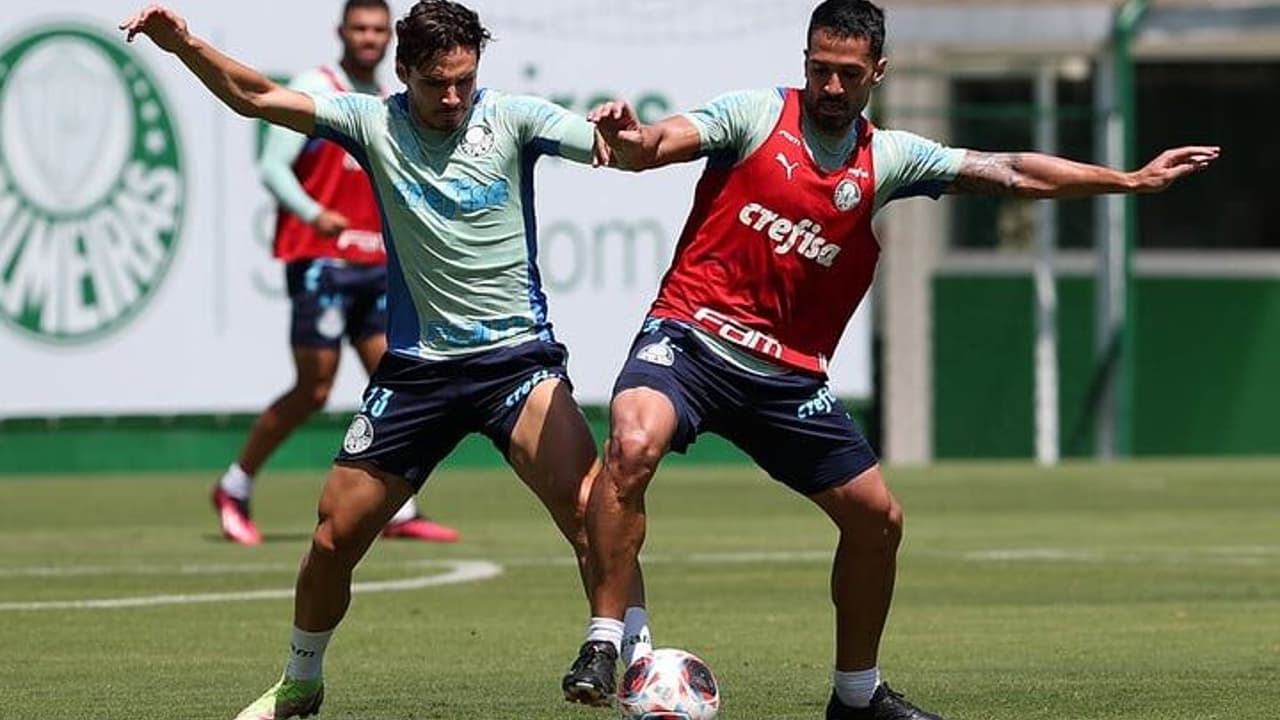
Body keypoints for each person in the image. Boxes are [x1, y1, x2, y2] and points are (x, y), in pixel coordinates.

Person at [561, 1, 1219, 718]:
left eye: (848, 73)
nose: (832, 88)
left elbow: (1011, 171)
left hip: (786, 378)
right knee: (631, 441)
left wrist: (1126, 181)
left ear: (878, 71)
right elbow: (657, 142)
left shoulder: (891, 158)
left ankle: (856, 696)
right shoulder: (752, 116)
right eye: (820, 70)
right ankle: (602, 639)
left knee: (879, 521)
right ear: (804, 62)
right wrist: (628, 139)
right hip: (691, 338)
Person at [120, 2, 650, 718]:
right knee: (333, 538)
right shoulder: (372, 121)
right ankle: (301, 680)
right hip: (418, 372)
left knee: (592, 511)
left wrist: (620, 134)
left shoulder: (514, 117)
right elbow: (253, 96)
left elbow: (614, 145)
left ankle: (637, 661)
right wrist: (184, 44)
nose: (454, 98)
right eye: (438, 83)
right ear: (404, 74)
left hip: (514, 364)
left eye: (465, 80)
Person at [211, 0, 459, 547]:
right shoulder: (317, 85)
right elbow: (273, 166)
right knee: (315, 388)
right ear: (341, 32)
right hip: (322, 263)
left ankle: (399, 507)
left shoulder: (392, 101)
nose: (369, 38)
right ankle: (234, 484)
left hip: (376, 266)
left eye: (377, 29)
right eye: (359, 28)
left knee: (398, 384)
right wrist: (313, 213)